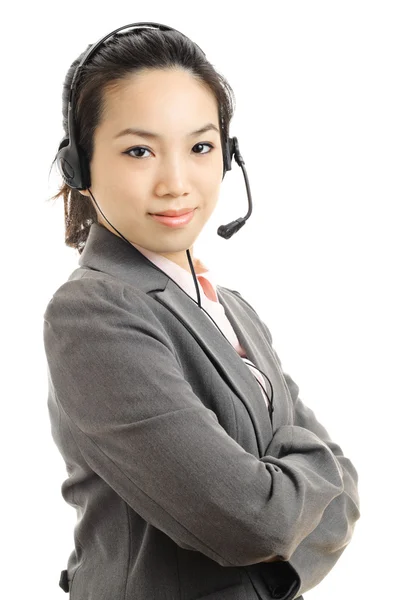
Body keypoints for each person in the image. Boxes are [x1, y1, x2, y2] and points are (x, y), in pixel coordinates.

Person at [43, 22, 360, 600]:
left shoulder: (233, 310)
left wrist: (284, 509)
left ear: (228, 157)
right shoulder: (92, 312)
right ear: (80, 167)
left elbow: (346, 501)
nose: (176, 182)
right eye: (139, 150)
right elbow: (251, 522)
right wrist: (309, 482)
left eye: (200, 147)